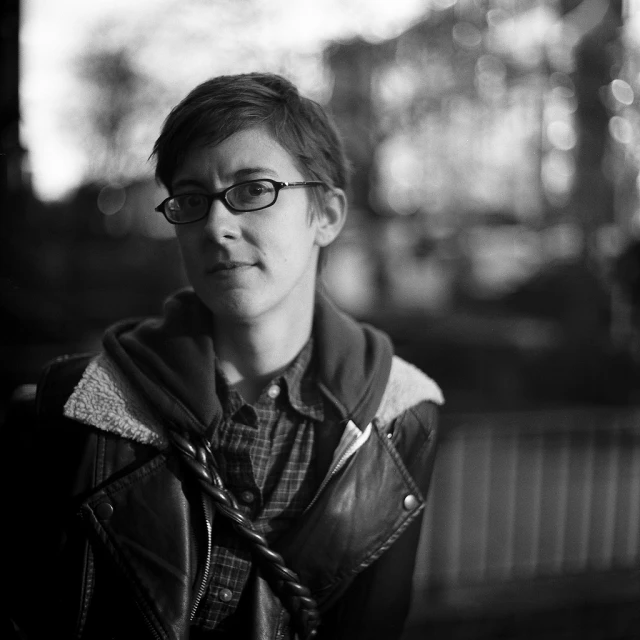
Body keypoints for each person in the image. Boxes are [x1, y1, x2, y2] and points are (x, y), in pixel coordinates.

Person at [4, 72, 443, 640]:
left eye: (255, 189)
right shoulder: (73, 407)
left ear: (327, 215)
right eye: (190, 199)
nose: (216, 225)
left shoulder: (403, 413)